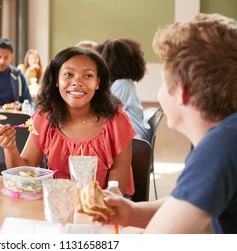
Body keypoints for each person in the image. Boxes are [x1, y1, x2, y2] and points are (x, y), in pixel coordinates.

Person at [99, 13, 237, 234]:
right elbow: (184, 199)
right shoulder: (227, 137)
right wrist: (133, 213)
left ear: (182, 93)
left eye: (164, 82)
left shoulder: (221, 147)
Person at [0, 46, 136, 195]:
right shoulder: (45, 117)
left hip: (102, 207)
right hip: (56, 205)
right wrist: (10, 148)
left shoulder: (117, 120)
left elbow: (116, 189)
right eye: (68, 74)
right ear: (57, 80)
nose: (77, 82)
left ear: (98, 82)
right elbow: (25, 173)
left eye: (88, 76)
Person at [95, 38, 151, 141]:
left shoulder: (122, 85)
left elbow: (104, 113)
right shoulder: (125, 84)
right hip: (132, 137)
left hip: (133, 140)